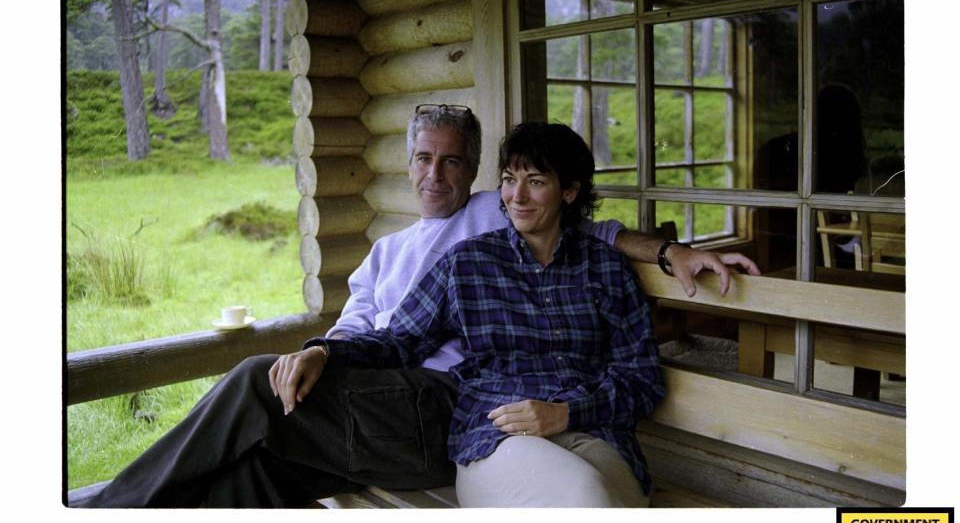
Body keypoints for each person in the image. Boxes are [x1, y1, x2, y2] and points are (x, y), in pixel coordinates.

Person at [73, 105, 758, 508]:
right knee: (268, 454)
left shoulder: (498, 217)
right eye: (425, 159)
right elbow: (384, 336)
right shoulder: (398, 254)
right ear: (407, 162)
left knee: (259, 390)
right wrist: (323, 350)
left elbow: (603, 237)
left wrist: (672, 255)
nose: (438, 174)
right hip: (404, 401)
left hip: (442, 401)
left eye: (454, 162)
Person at [301, 122, 665, 507]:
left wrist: (567, 414)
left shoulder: (606, 268)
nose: (517, 196)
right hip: (498, 434)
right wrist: (325, 351)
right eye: (510, 180)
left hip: (593, 430)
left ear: (570, 192)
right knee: (588, 500)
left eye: (537, 182)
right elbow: (399, 340)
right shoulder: (467, 262)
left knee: (618, 502)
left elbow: (641, 378)